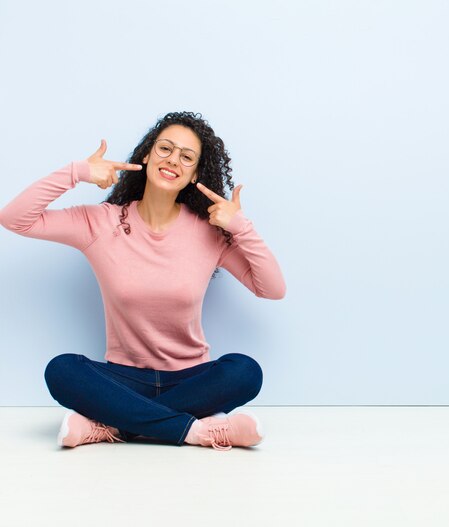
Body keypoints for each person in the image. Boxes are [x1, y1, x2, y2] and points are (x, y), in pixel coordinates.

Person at [0, 111, 286, 451]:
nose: (173, 161)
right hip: (123, 378)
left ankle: (113, 425)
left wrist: (240, 227)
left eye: (187, 157)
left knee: (245, 371)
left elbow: (272, 288)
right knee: (61, 370)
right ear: (147, 154)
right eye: (165, 148)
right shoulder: (101, 224)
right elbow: (14, 219)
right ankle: (197, 431)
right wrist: (77, 173)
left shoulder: (208, 232)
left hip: (192, 378)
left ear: (195, 173)